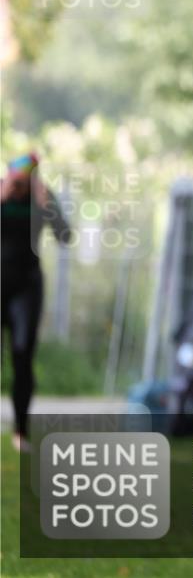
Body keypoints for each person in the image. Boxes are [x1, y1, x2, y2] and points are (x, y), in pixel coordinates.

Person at [1, 152, 72, 452]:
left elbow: (65, 235)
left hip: (27, 287)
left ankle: (20, 430)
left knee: (22, 355)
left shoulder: (43, 199)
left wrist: (48, 205)